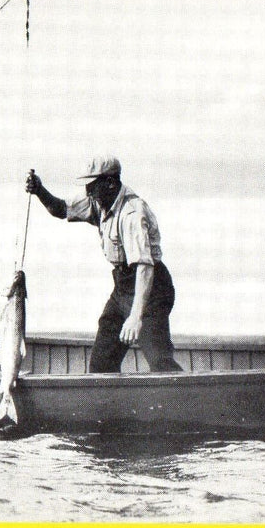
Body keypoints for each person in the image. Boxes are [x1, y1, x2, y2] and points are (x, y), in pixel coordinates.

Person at [25, 156, 183, 373]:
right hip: (122, 287)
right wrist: (39, 190)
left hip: (152, 289)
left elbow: (145, 267)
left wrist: (136, 317)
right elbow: (60, 209)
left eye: (92, 186)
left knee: (160, 362)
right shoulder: (99, 201)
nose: (88, 192)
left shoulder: (131, 214)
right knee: (101, 364)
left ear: (110, 183)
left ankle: (189, 401)